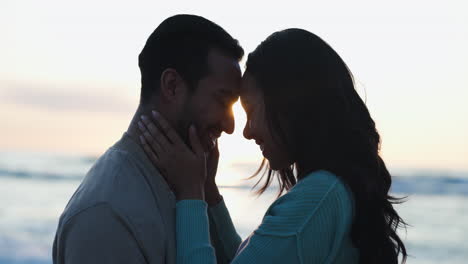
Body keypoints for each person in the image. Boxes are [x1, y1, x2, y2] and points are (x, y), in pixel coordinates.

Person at [138, 28, 408, 264]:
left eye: (252, 110)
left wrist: (190, 194)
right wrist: (207, 191)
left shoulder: (318, 198)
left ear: (291, 107)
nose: (247, 131)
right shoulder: (333, 192)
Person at [52, 14, 244, 264]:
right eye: (222, 100)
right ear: (172, 86)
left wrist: (206, 191)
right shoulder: (106, 214)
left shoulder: (187, 186)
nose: (230, 126)